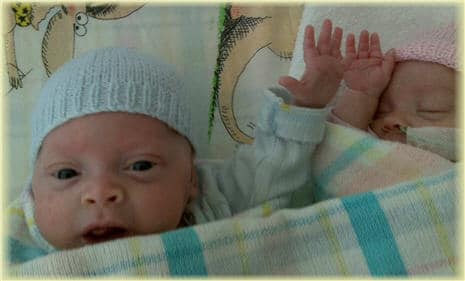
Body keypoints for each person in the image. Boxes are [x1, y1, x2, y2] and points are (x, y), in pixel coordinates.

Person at [8, 19, 346, 263]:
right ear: (33, 189)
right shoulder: (16, 244)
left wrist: (303, 108)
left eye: (140, 166)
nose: (100, 193)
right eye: (66, 174)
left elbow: (271, 170)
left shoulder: (213, 202)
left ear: (191, 180)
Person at [281, 22, 458, 161]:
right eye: (381, 111)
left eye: (431, 109)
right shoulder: (372, 149)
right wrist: (361, 95)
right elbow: (340, 147)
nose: (391, 119)